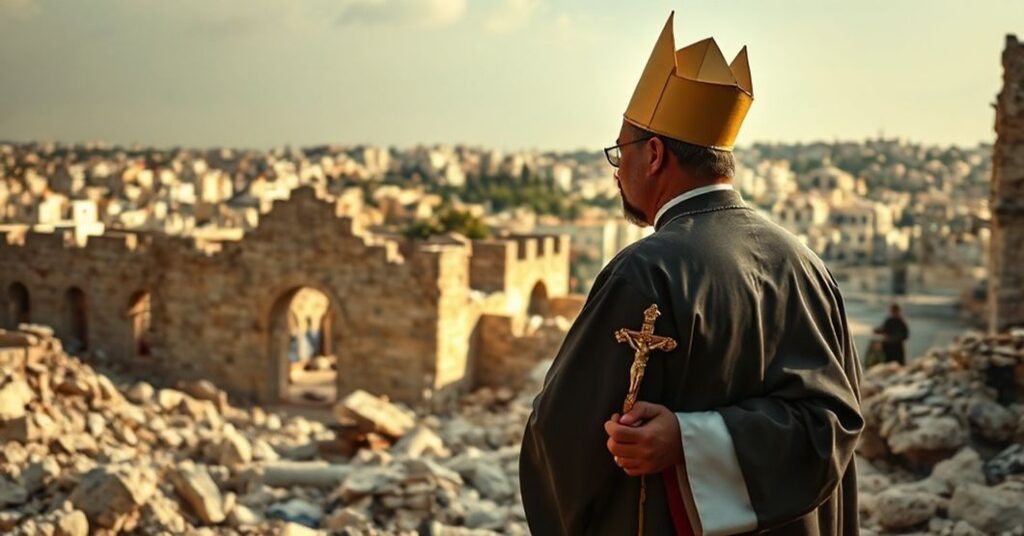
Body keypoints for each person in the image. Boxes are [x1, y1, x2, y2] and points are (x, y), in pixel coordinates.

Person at [519, 10, 864, 535]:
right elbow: (832, 428)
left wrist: (687, 440)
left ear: (655, 155)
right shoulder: (807, 265)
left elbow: (564, 442)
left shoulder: (645, 272)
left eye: (620, 153)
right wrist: (707, 440)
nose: (616, 172)